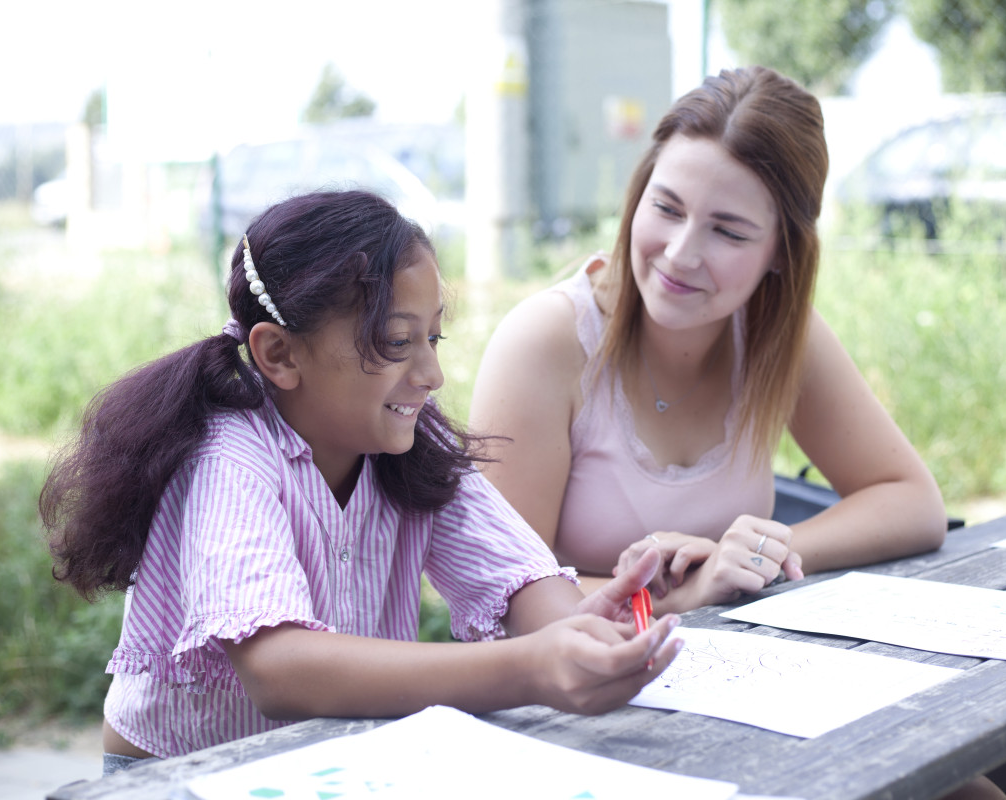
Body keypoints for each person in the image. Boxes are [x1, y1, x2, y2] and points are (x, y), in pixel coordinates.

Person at [38, 190, 683, 773]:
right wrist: (527, 667)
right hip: (185, 777)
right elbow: (280, 671)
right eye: (397, 342)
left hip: (326, 764)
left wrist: (582, 629)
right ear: (279, 354)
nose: (431, 373)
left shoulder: (408, 441)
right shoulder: (231, 459)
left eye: (433, 337)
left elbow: (521, 583)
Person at [468, 66, 950, 615]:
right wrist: (683, 596)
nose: (679, 253)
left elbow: (913, 503)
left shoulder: (774, 331)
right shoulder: (545, 342)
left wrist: (753, 555)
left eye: (728, 231)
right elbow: (505, 599)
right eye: (667, 208)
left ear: (781, 255)